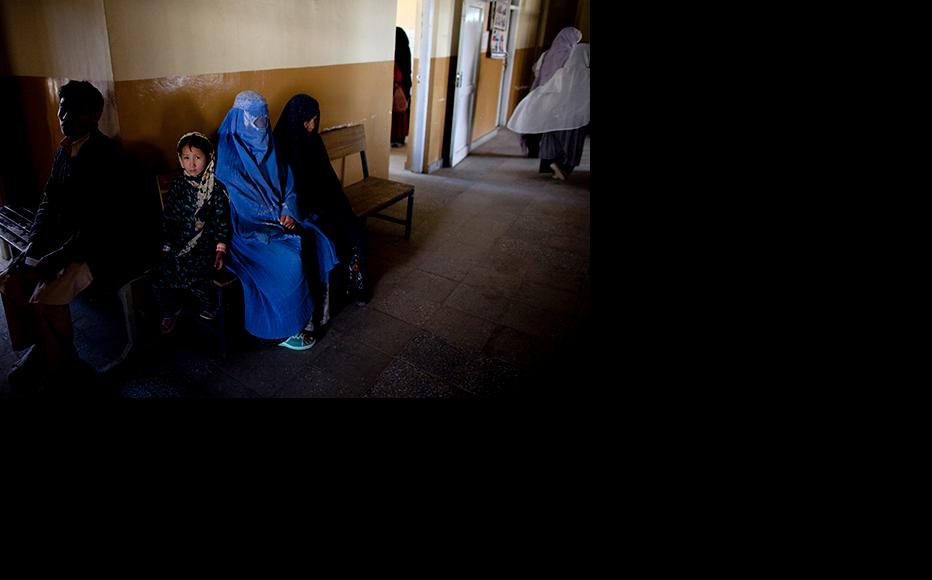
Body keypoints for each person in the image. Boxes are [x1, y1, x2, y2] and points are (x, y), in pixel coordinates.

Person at [0, 80, 159, 390]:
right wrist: (33, 244)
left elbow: (103, 226)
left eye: (73, 111)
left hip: (103, 249)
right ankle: (42, 349)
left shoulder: (109, 158)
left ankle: (62, 368)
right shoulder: (66, 149)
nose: (64, 117)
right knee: (10, 281)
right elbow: (48, 199)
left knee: (47, 296)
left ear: (94, 114)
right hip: (64, 241)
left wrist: (57, 256)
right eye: (62, 109)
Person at [215, 90, 338, 351]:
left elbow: (289, 183)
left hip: (278, 219)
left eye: (264, 119)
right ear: (240, 120)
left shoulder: (272, 145)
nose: (262, 126)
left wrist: (289, 209)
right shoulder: (229, 157)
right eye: (255, 121)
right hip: (248, 228)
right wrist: (276, 216)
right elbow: (243, 204)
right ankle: (284, 328)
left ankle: (310, 312)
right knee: (289, 260)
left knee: (319, 239)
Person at [273, 94, 369, 307]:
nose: (311, 126)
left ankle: (354, 286)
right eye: (307, 120)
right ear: (295, 119)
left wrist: (337, 203)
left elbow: (328, 179)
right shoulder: (281, 144)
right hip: (302, 208)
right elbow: (285, 188)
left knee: (353, 230)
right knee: (331, 234)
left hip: (324, 201)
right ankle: (335, 294)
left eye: (315, 119)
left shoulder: (313, 141)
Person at [152, 132, 232, 334]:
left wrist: (220, 250)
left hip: (206, 244)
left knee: (194, 273)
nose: (192, 164)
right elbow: (169, 218)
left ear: (209, 157)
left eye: (197, 157)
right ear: (180, 159)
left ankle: (211, 305)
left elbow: (222, 221)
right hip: (180, 242)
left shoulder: (215, 188)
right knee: (159, 277)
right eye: (186, 158)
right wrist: (167, 244)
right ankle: (170, 310)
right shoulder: (179, 186)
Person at [507, 27, 589, 180]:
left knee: (546, 129)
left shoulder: (545, 55)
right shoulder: (572, 57)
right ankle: (561, 165)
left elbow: (536, 72)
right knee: (565, 133)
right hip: (563, 100)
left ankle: (545, 160)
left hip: (543, 97)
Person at [391, 27, 412, 147]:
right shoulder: (406, 50)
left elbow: (398, 71)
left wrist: (396, 83)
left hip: (399, 84)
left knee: (397, 110)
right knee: (402, 110)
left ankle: (395, 137)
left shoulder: (397, 52)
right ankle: (400, 137)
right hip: (405, 83)